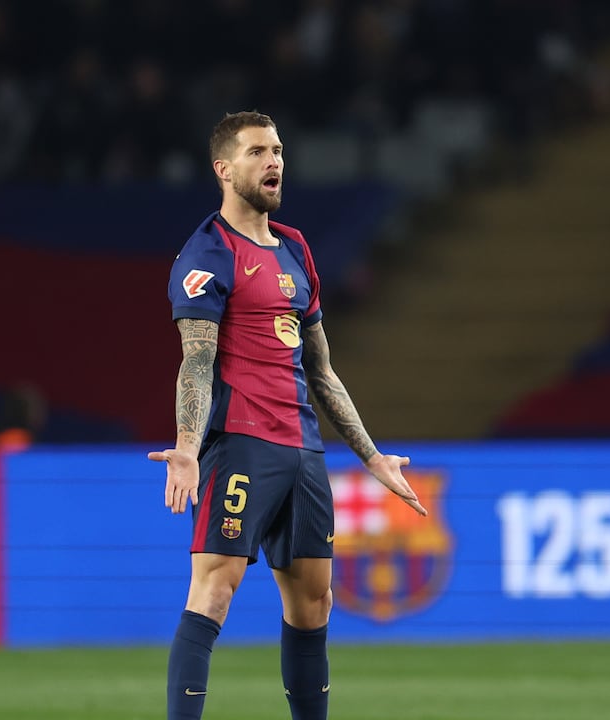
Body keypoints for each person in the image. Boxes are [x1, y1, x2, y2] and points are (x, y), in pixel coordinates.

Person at [148, 110, 427, 720]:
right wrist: (188, 448)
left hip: (302, 451)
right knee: (213, 593)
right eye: (257, 152)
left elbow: (321, 371)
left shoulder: (296, 248)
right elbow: (196, 360)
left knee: (314, 604)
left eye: (277, 150)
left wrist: (373, 456)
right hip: (241, 445)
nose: (273, 161)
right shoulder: (206, 253)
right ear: (224, 170)